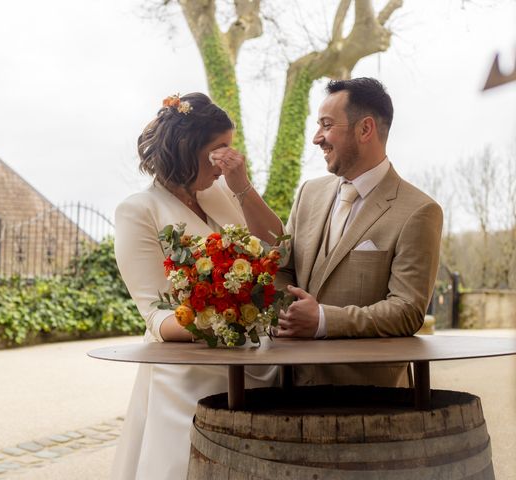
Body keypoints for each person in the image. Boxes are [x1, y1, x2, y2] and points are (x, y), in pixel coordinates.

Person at [112, 93, 281, 480]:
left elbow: (276, 244)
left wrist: (242, 185)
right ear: (189, 149)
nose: (226, 162)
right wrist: (222, 322)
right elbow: (155, 315)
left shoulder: (219, 192)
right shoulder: (139, 210)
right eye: (219, 149)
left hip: (252, 361)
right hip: (186, 375)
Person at [275, 77, 443, 387]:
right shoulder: (308, 193)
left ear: (365, 129)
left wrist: (324, 320)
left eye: (327, 125)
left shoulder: (419, 211)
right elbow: (282, 271)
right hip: (289, 389)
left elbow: (406, 310)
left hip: (370, 403)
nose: (316, 138)